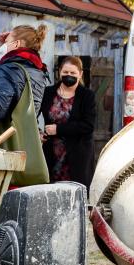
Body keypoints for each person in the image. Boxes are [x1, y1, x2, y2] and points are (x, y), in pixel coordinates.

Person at [40, 55, 97, 186]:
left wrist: (58, 129)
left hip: (77, 155)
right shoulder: (48, 92)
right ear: (60, 72)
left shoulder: (87, 96)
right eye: (65, 72)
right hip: (51, 154)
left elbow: (88, 126)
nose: (68, 75)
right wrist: (39, 132)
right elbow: (35, 117)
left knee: (74, 195)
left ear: (80, 74)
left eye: (73, 73)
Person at [0, 24, 50, 110]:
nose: (3, 46)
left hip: (10, 123)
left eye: (6, 42)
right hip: (27, 123)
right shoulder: (37, 68)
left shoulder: (12, 68)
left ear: (16, 44)